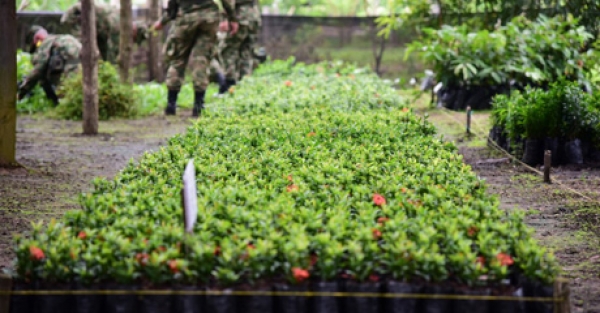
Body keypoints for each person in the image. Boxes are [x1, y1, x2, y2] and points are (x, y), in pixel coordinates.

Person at [152, 0, 239, 117]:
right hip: (209, 17)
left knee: (178, 60)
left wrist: (162, 22)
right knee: (202, 59)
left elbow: (171, 9)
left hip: (185, 18)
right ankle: (198, 106)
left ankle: (171, 105)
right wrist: (232, 18)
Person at [18, 26, 82, 106]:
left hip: (70, 67)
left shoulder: (45, 44)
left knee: (67, 95)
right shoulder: (59, 39)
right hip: (82, 64)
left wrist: (22, 91)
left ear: (37, 40)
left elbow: (38, 70)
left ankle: (61, 106)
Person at [220, 0, 260, 90]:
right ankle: (245, 85)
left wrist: (228, 18)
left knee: (229, 50)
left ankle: (229, 85)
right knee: (247, 51)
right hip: (254, 15)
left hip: (240, 15)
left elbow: (228, 2)